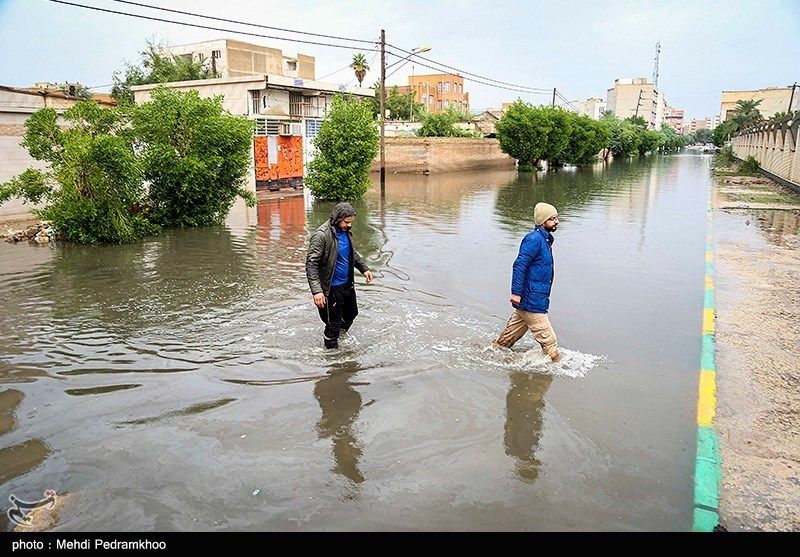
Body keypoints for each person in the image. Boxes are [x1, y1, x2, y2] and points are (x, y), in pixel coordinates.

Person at [494, 202, 561, 362]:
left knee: (505, 342)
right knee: (550, 342)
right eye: (552, 219)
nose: (556, 221)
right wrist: (516, 293)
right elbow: (519, 265)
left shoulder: (545, 240)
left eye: (557, 218)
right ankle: (556, 370)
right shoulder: (534, 239)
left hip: (533, 298)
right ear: (542, 221)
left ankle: (488, 354)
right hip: (532, 300)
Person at [306, 202, 373, 349]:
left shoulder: (345, 232)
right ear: (337, 218)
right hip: (331, 289)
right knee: (333, 325)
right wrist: (317, 291)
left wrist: (364, 268)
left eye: (350, 222)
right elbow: (311, 264)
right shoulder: (321, 236)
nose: (349, 225)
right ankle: (333, 361)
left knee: (352, 314)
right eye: (346, 222)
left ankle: (339, 336)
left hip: (347, 285)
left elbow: (351, 253)